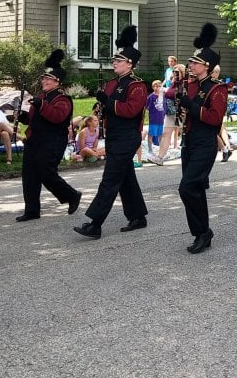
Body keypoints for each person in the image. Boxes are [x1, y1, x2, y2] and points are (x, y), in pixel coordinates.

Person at [74, 26, 149, 239]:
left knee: (110, 179)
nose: (114, 63)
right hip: (115, 135)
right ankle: (138, 216)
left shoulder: (137, 86)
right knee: (125, 178)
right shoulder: (112, 84)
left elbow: (130, 110)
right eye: (114, 60)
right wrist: (100, 107)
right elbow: (109, 107)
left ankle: (95, 223)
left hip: (127, 136)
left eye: (119, 60)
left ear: (130, 64)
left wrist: (108, 102)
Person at [175, 23, 228, 254]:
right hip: (189, 140)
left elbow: (214, 118)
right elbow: (187, 112)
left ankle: (202, 231)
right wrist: (181, 108)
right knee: (194, 189)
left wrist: (191, 106)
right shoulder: (190, 85)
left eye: (194, 63)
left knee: (186, 188)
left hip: (205, 142)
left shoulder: (217, 89)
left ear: (206, 66)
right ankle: (201, 232)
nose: (190, 65)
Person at [15, 50, 81, 221]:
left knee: (47, 174)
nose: (43, 81)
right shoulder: (41, 97)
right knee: (29, 176)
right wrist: (22, 117)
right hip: (35, 140)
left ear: (57, 81)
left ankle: (72, 195)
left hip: (52, 141)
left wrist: (41, 105)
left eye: (47, 79)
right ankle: (32, 210)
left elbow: (57, 117)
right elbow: (36, 119)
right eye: (43, 78)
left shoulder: (63, 99)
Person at [149, 64, 185, 165]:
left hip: (182, 113)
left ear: (183, 73)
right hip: (170, 113)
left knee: (188, 135)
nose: (175, 74)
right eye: (174, 72)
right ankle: (159, 158)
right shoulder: (173, 83)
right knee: (165, 134)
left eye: (178, 72)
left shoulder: (185, 84)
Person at [210, 63, 233, 162]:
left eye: (216, 72)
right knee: (218, 130)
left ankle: (225, 148)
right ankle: (226, 148)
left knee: (215, 131)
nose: (214, 74)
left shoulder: (219, 84)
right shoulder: (208, 83)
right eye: (212, 72)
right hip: (211, 110)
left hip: (218, 110)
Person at [146, 80, 166, 150]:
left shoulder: (163, 96)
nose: (156, 88)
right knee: (151, 134)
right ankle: (150, 149)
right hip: (153, 119)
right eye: (154, 86)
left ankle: (160, 149)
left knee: (160, 134)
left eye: (158, 86)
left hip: (161, 119)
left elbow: (165, 106)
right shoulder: (151, 96)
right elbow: (147, 107)